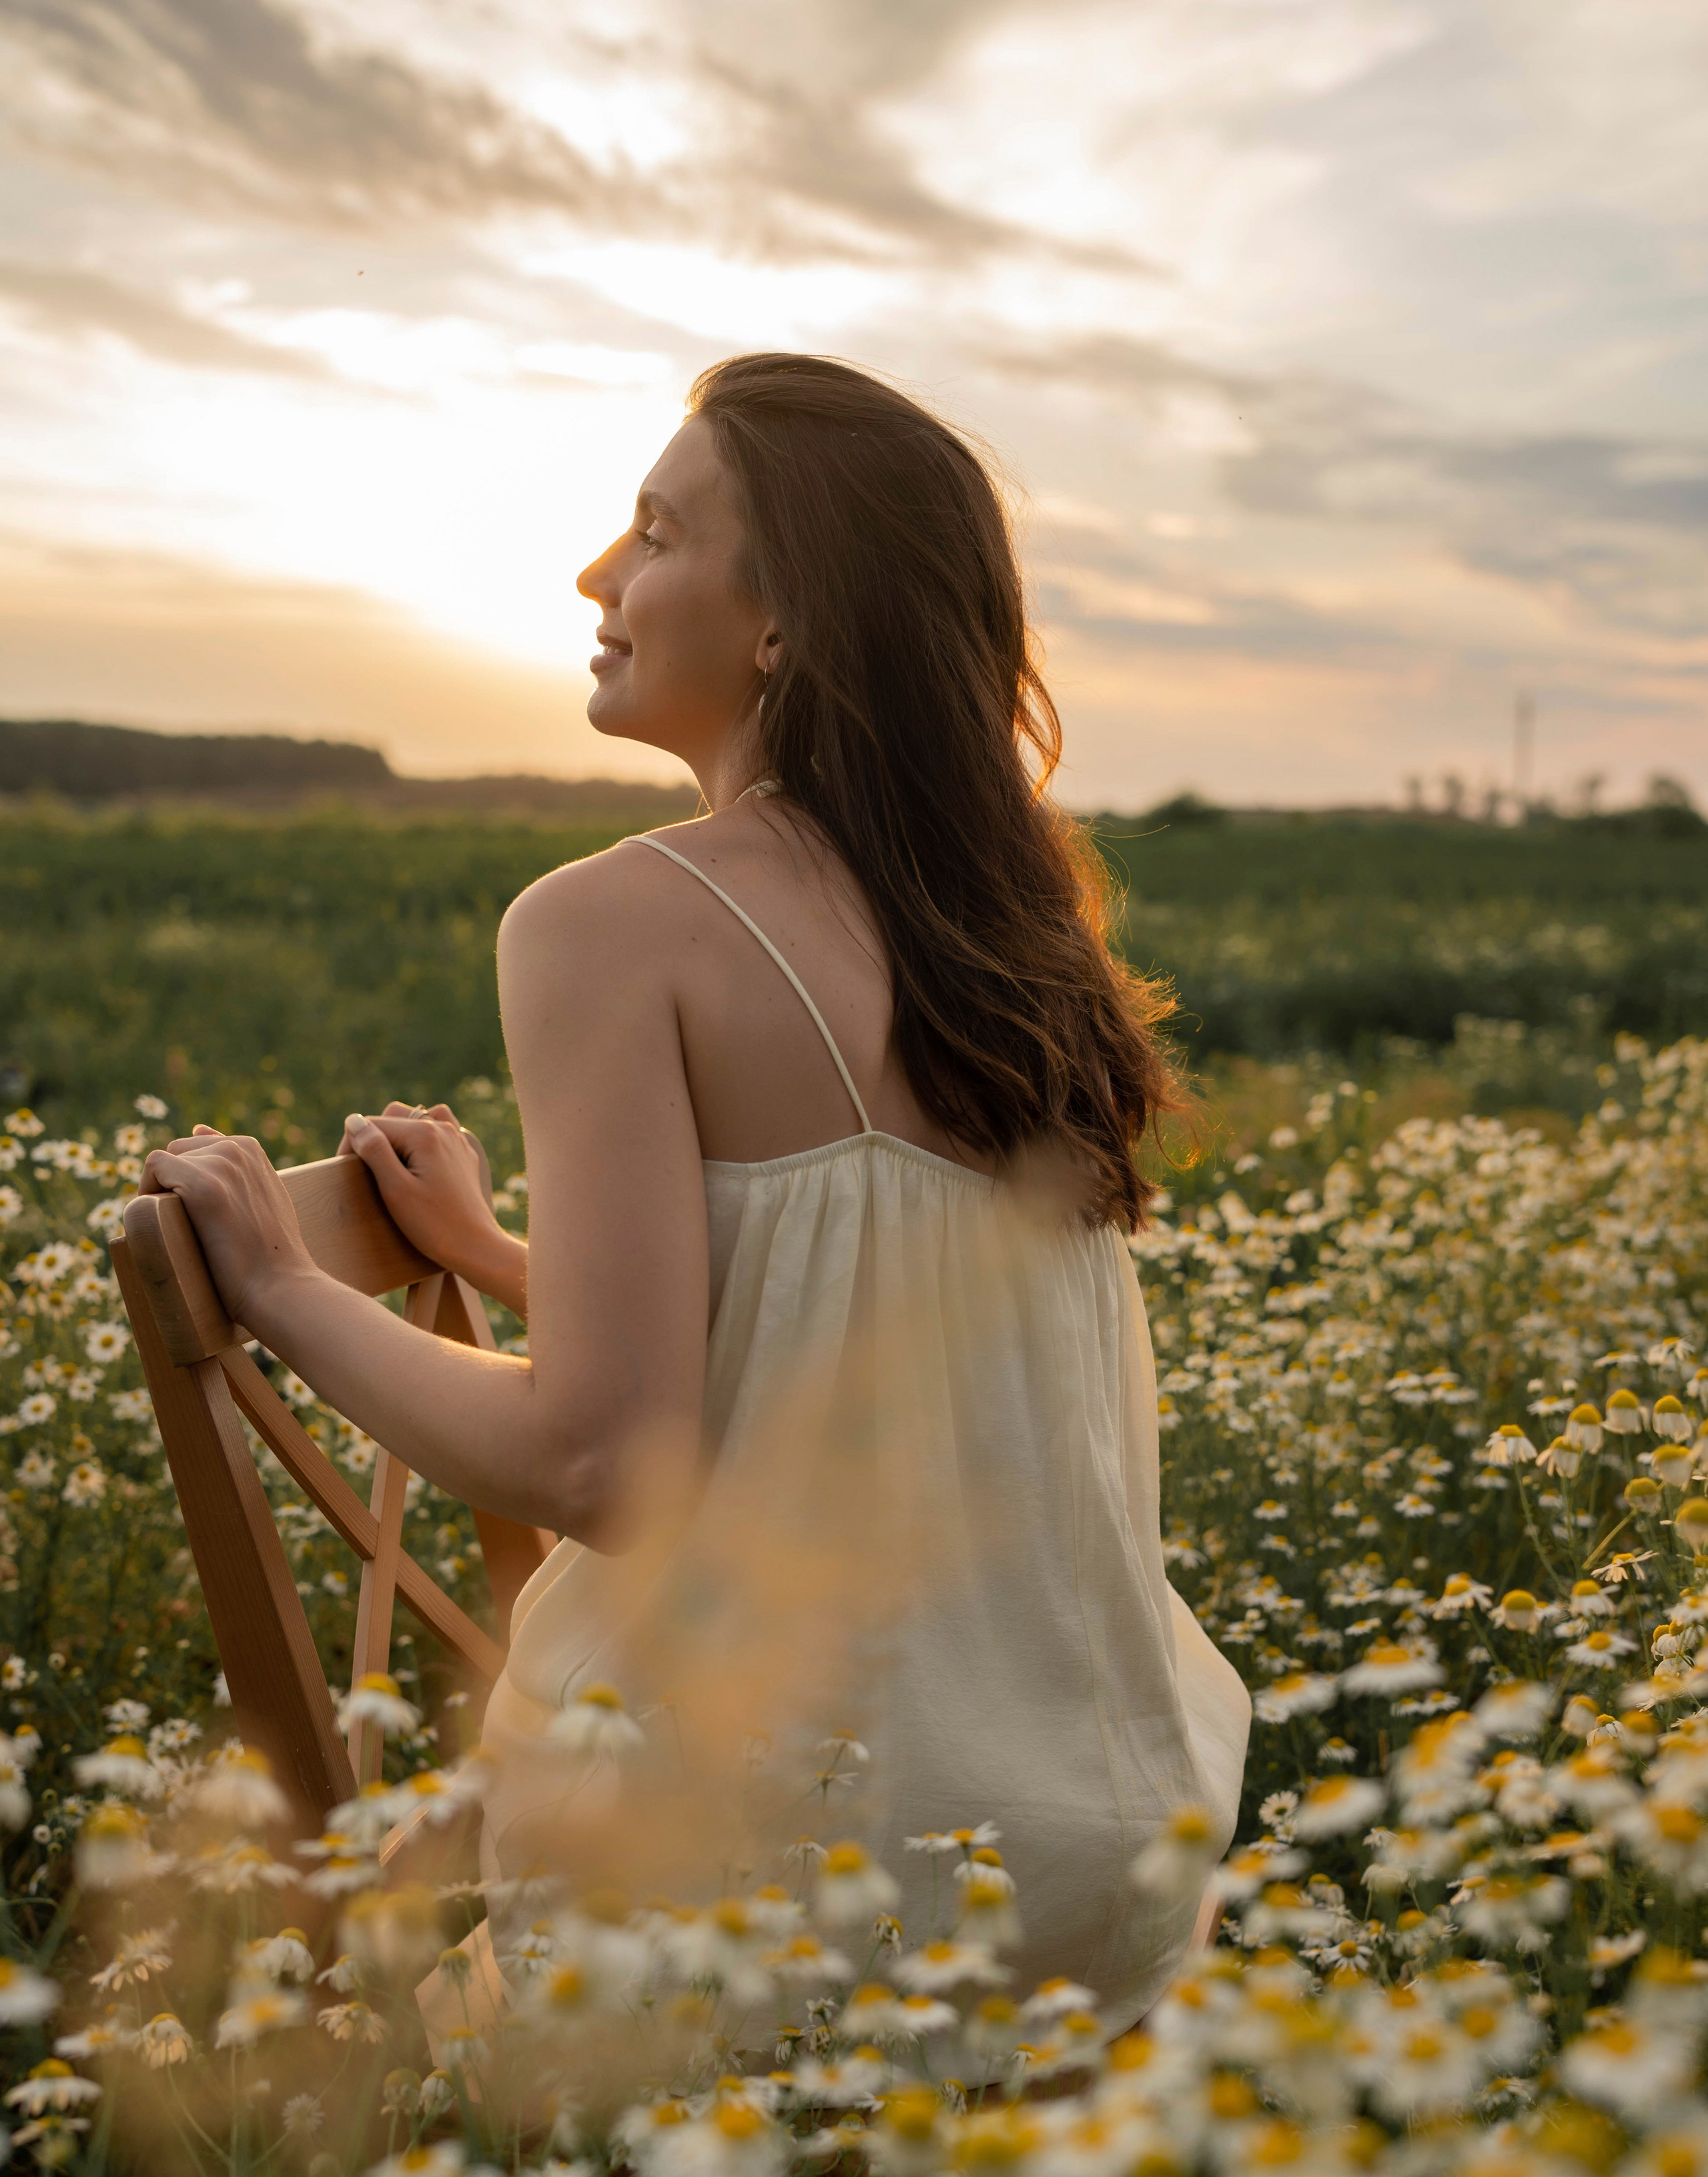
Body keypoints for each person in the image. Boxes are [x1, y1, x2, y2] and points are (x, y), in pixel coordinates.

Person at [145, 352, 1249, 2030]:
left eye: (656, 533)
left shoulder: (609, 921)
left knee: (372, 2049)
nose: (598, 573)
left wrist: (283, 1290)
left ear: (784, 621)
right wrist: (504, 1260)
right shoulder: (1010, 937)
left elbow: (602, 1465)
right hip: (1099, 1874)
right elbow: (874, 1333)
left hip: (781, 1889)